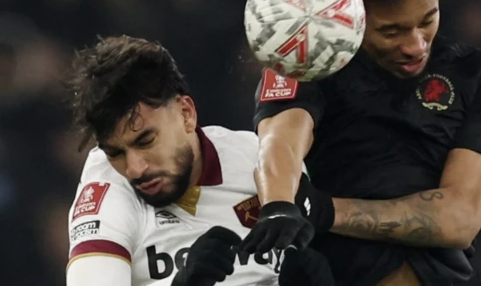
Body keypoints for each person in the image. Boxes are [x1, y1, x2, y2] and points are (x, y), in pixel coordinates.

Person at [239, 0, 481, 286]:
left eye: (428, 20)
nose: (416, 45)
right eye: (392, 31)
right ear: (350, 17)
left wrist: (325, 211)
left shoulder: (479, 75)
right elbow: (281, 137)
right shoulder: (313, 63)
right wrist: (279, 204)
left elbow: (459, 218)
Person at [63, 35, 334, 286]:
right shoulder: (106, 189)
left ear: (186, 114)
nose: (134, 169)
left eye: (146, 141)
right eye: (115, 153)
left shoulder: (260, 161)